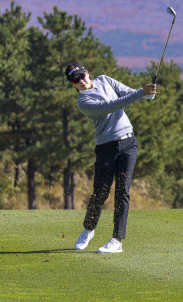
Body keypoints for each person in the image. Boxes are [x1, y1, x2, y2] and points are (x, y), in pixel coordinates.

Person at [65, 62, 157, 254]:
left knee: (122, 191)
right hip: (106, 148)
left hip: (128, 143)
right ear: (73, 85)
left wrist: (148, 94)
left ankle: (117, 240)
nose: (81, 81)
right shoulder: (83, 103)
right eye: (75, 80)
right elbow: (112, 105)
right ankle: (89, 229)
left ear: (87, 73)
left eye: (82, 76)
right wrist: (141, 93)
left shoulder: (105, 80)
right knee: (100, 192)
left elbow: (127, 93)